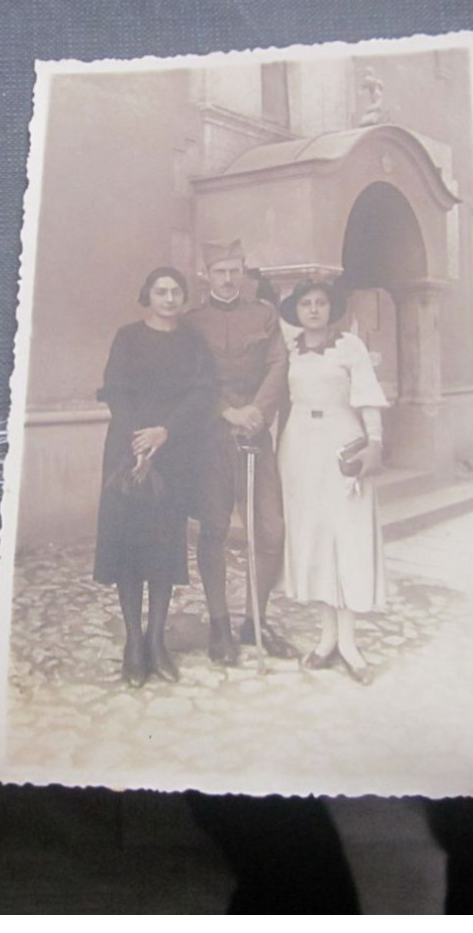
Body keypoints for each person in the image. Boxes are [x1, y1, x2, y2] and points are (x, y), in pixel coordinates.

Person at [94, 266, 218, 687]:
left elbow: (203, 392)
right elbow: (116, 389)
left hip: (174, 452)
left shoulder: (192, 341)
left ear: (183, 298)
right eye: (161, 291)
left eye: (175, 292)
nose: (168, 299)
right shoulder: (127, 337)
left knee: (165, 550)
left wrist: (166, 432)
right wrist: (139, 443)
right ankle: (133, 643)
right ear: (147, 295)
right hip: (127, 453)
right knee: (129, 547)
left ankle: (156, 642)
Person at [185, 239, 296, 664]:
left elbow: (278, 364)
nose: (228, 279)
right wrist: (226, 411)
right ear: (207, 276)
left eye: (234, 270)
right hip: (211, 438)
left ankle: (255, 618)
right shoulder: (193, 322)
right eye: (220, 272)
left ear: (244, 272)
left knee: (270, 529)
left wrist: (257, 411)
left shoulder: (264, 314)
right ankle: (219, 626)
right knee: (213, 529)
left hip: (255, 433)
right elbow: (190, 376)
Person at [277, 280, 389, 685]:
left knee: (349, 536)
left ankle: (350, 643)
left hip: (343, 443)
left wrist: (374, 445)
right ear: (296, 310)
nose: (313, 310)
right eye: (305, 304)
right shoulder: (287, 350)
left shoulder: (350, 347)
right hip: (299, 448)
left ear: (331, 308)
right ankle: (326, 639)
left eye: (320, 303)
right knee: (317, 538)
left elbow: (367, 398)